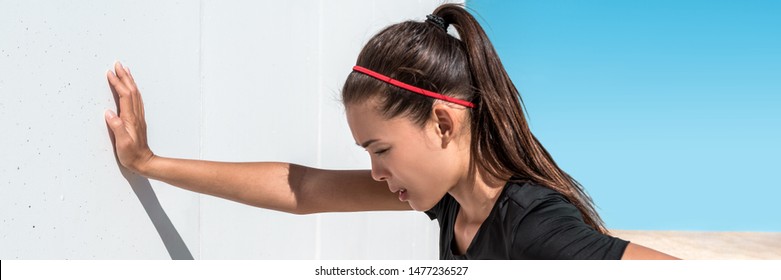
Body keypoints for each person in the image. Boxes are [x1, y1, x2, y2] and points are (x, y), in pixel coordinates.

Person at [104, 4, 677, 260]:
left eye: (380, 149)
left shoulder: (534, 227)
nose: (375, 172)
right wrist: (150, 163)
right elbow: (304, 190)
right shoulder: (454, 203)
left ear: (444, 124)